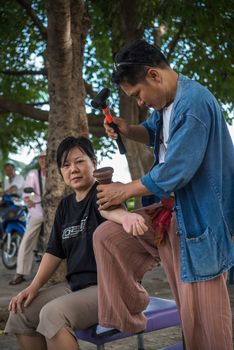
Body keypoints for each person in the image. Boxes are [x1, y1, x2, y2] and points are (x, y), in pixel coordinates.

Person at [93, 39, 234, 350]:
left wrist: (124, 190)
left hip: (202, 225)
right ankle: (130, 317)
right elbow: (154, 132)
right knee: (107, 237)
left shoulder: (193, 103)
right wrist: (127, 129)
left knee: (204, 322)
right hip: (170, 217)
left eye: (138, 94)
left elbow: (175, 171)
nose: (140, 102)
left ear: (154, 76)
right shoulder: (166, 104)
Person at [4, 136, 147, 350]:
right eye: (66, 165)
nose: (73, 169)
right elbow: (53, 252)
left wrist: (126, 217)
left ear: (94, 163)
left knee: (53, 314)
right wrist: (33, 287)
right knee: (20, 313)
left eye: (80, 161)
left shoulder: (104, 193)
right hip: (76, 286)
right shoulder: (65, 206)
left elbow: (109, 210)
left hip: (109, 288)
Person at [9, 151, 46, 285]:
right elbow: (27, 191)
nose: (43, 160)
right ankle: (20, 272)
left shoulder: (57, 173)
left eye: (45, 158)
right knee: (27, 240)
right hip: (38, 211)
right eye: (41, 158)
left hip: (54, 213)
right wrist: (29, 200)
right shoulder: (33, 174)